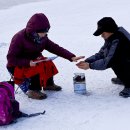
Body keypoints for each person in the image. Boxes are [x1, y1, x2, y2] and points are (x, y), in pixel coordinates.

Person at [7, 13, 84, 100]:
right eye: (42, 32)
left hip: (34, 61)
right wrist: (28, 63)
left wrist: (71, 57)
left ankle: (48, 84)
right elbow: (11, 59)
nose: (44, 34)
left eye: (46, 32)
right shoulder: (18, 38)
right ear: (34, 31)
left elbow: (55, 48)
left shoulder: (42, 38)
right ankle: (33, 90)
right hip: (17, 65)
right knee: (36, 67)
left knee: (47, 62)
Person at [76, 17, 130, 98]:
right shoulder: (112, 37)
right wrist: (88, 61)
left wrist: (90, 66)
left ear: (110, 30)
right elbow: (102, 53)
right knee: (115, 60)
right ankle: (123, 79)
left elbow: (109, 61)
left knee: (117, 61)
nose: (101, 36)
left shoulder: (120, 40)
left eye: (103, 33)